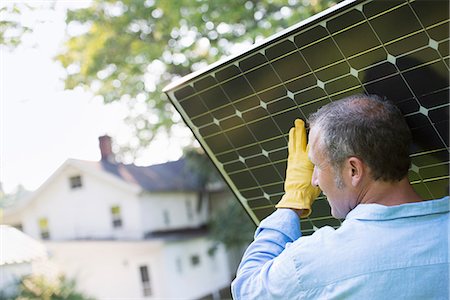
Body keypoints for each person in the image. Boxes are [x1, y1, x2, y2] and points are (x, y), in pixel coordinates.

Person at [231, 94, 449, 299]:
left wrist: (292, 201)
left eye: (316, 165)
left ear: (353, 170)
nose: (314, 180)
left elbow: (248, 290)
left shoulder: (313, 262)